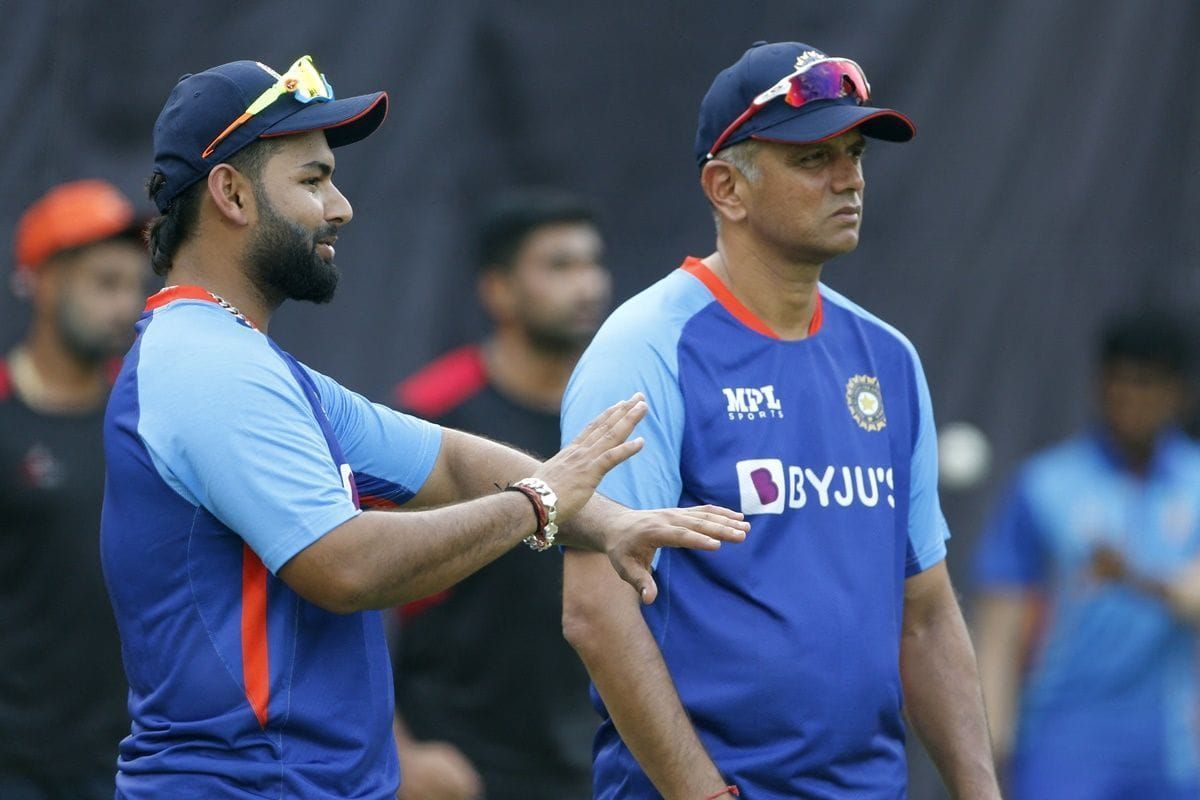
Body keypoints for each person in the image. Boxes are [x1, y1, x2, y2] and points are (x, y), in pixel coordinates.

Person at [100, 55, 748, 799]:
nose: (340, 206)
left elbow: (446, 462)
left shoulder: (244, 358)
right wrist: (540, 501)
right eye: (312, 180)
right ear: (232, 193)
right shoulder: (204, 363)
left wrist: (608, 520)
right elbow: (345, 568)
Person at [560, 41, 1001, 799]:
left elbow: (923, 615)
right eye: (813, 158)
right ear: (726, 188)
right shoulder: (645, 349)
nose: (850, 179)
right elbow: (597, 611)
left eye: (855, 153)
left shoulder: (888, 358)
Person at [391, 188, 610, 800]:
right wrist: (399, 749)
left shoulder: (620, 417)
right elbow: (337, 581)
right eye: (559, 265)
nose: (587, 284)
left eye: (592, 263)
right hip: (462, 769)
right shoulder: (433, 416)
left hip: (597, 765)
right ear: (498, 290)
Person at [975, 311, 1200, 800]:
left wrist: (1129, 576)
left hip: (1173, 745)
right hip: (1063, 739)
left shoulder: (1196, 481)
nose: (1131, 401)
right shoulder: (1045, 484)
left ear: (1178, 393)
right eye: (1120, 383)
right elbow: (1000, 632)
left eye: (1148, 385)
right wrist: (989, 751)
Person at [0, 180, 146, 800]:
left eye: (136, 286)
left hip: (125, 762)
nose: (126, 305)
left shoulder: (146, 415)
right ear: (48, 280)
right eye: (105, 283)